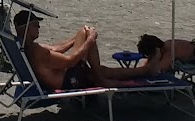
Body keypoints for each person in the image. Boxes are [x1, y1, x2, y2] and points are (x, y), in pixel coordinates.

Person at [14, 11, 174, 92]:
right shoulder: (37, 52)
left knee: (99, 65)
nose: (39, 27)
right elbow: (71, 61)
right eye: (36, 25)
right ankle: (106, 78)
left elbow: (57, 49)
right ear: (26, 28)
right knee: (99, 70)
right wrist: (90, 40)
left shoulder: (27, 46)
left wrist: (79, 38)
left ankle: (140, 70)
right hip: (69, 81)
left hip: (67, 75)